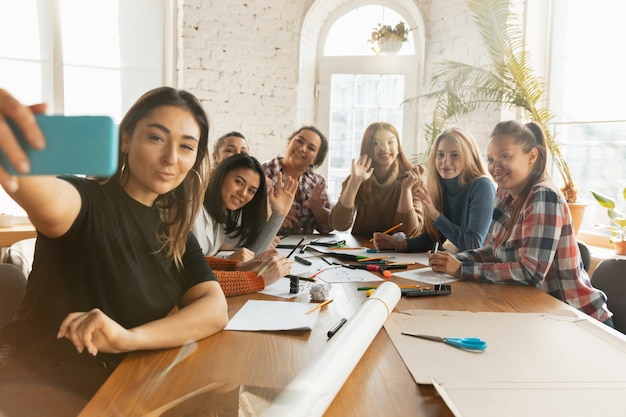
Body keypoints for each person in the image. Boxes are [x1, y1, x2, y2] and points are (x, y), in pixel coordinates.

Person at [0, 87, 229, 416]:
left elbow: (214, 308)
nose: (171, 158)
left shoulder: (172, 228)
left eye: (186, 146)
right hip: (41, 382)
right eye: (156, 138)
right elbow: (39, 190)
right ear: (125, 140)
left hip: (117, 378)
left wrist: (129, 338)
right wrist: (14, 151)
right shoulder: (85, 200)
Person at [428, 120, 612, 325]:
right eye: (490, 159)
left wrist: (462, 269)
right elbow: (493, 250)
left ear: (532, 156)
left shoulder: (543, 195)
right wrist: (455, 260)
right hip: (538, 313)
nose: (494, 167)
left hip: (578, 319)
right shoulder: (505, 192)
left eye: (505, 156)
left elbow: (530, 272)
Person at [373, 128, 495, 253]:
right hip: (457, 264)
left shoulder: (482, 186)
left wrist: (434, 214)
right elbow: (435, 238)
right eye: (440, 154)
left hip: (483, 268)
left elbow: (473, 244)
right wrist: (400, 244)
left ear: (469, 157)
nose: (445, 162)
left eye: (454, 155)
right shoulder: (439, 184)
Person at [192, 153, 295, 295]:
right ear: (221, 176)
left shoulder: (222, 216)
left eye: (251, 191)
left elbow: (251, 255)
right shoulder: (194, 211)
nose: (243, 193)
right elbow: (192, 279)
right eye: (239, 182)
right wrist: (258, 279)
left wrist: (279, 214)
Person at [330, 122, 424, 238]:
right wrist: (354, 183)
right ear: (367, 148)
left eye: (390, 142)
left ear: (398, 147)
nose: (385, 148)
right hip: (362, 250)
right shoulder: (357, 178)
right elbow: (338, 225)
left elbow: (408, 233)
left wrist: (406, 190)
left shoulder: (412, 179)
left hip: (399, 253)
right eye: (376, 143)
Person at [262, 126, 333, 235]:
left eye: (311, 148)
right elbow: (243, 216)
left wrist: (317, 209)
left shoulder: (318, 182)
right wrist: (272, 218)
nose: (302, 148)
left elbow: (327, 228)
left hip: (305, 249)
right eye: (299, 141)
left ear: (316, 159)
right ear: (289, 142)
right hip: (267, 245)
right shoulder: (262, 172)